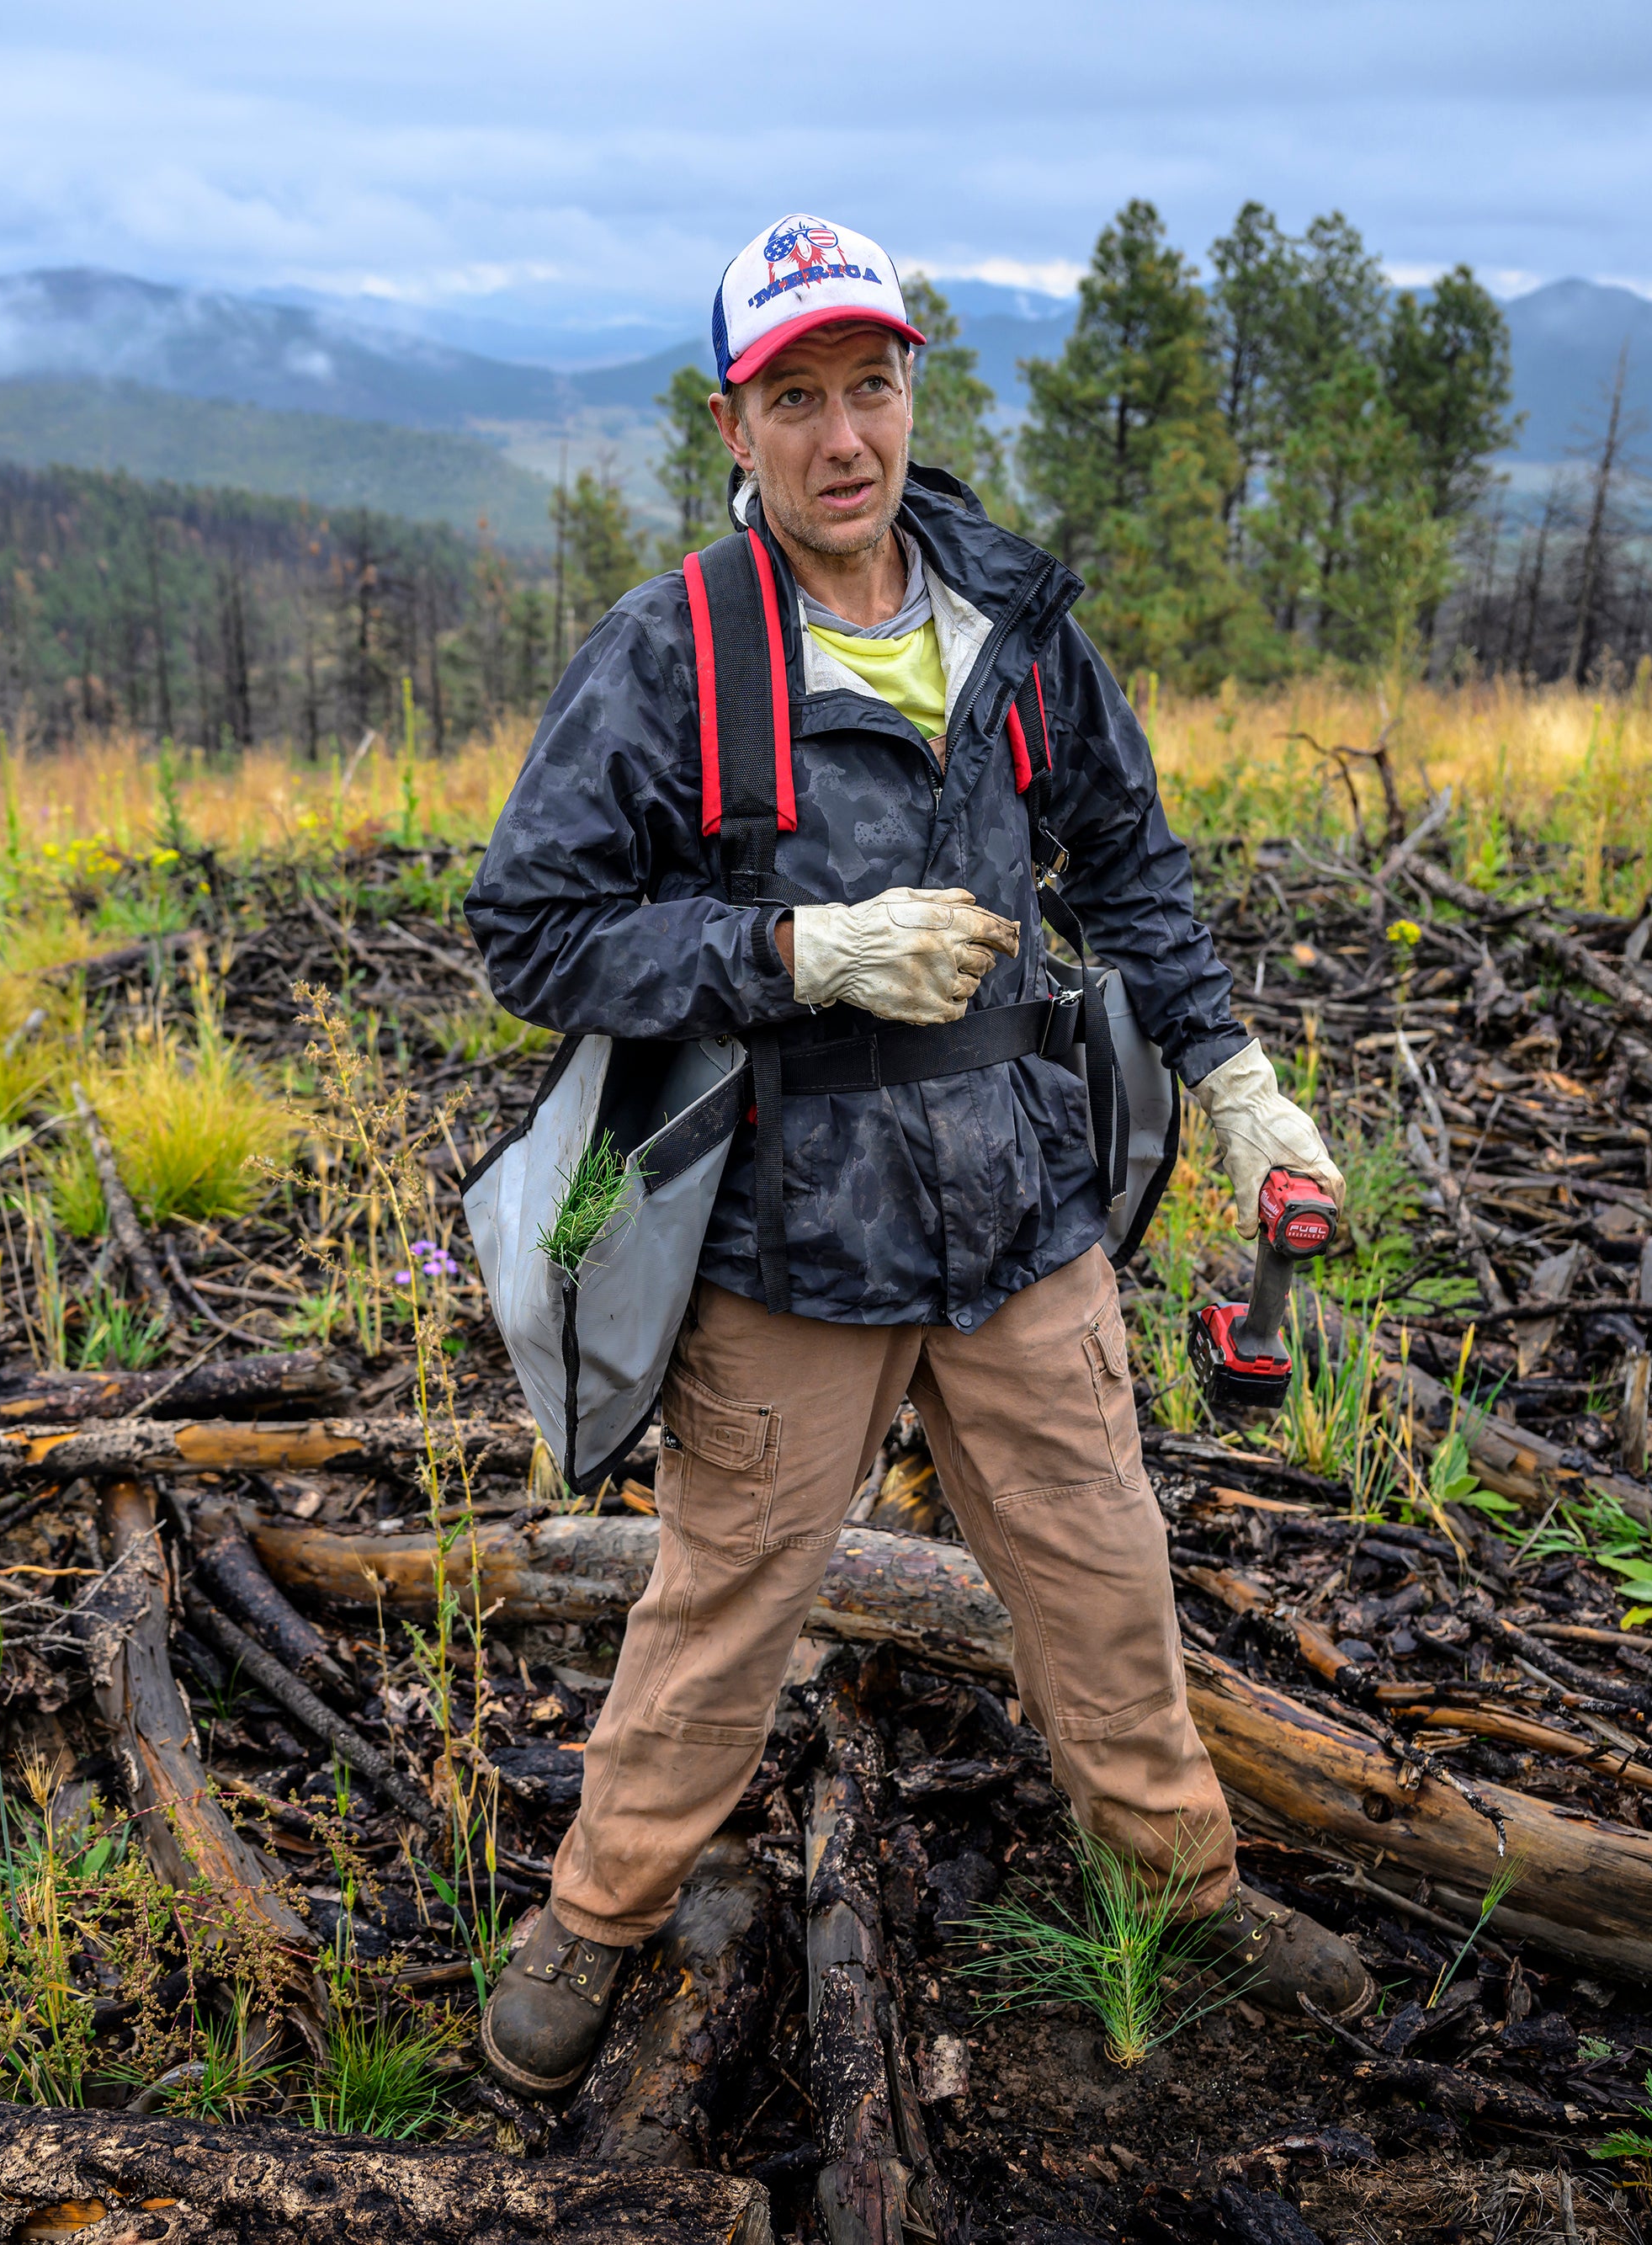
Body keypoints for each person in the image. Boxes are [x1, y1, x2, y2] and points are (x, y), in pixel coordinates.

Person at [463, 212, 1368, 2097]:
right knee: (724, 1598)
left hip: (1023, 1203)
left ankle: (1182, 1888)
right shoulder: (672, 651)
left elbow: (1128, 863)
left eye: (868, 386)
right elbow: (532, 933)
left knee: (1102, 1564)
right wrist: (793, 952)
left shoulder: (1011, 624)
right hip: (788, 1232)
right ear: (735, 424)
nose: (842, 437)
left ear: (909, 392)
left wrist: (1236, 1080)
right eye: (794, 400)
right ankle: (597, 1916)